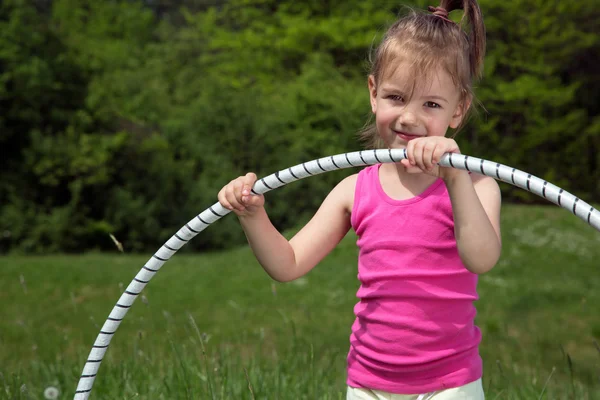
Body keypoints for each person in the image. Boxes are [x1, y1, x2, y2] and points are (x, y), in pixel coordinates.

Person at [218, 0, 501, 398]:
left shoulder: (475, 186)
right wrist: (252, 216)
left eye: (432, 104)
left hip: (449, 383)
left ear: (459, 110)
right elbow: (288, 264)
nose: (409, 118)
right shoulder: (355, 189)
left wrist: (454, 178)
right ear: (373, 93)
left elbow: (482, 258)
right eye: (396, 97)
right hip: (369, 382)